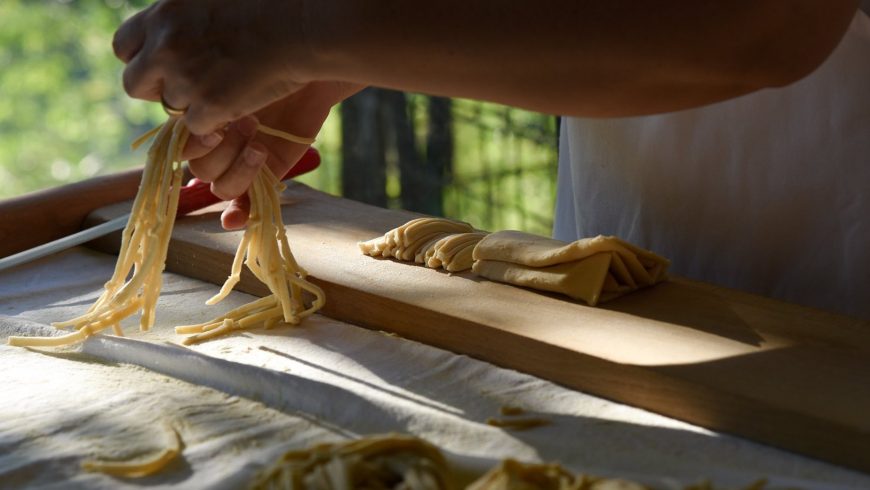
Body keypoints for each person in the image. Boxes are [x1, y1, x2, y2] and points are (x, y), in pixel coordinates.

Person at [113, 0, 868, 318]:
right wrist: (334, 61)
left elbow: (763, 24)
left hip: (840, 325)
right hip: (630, 297)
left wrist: (306, 27)